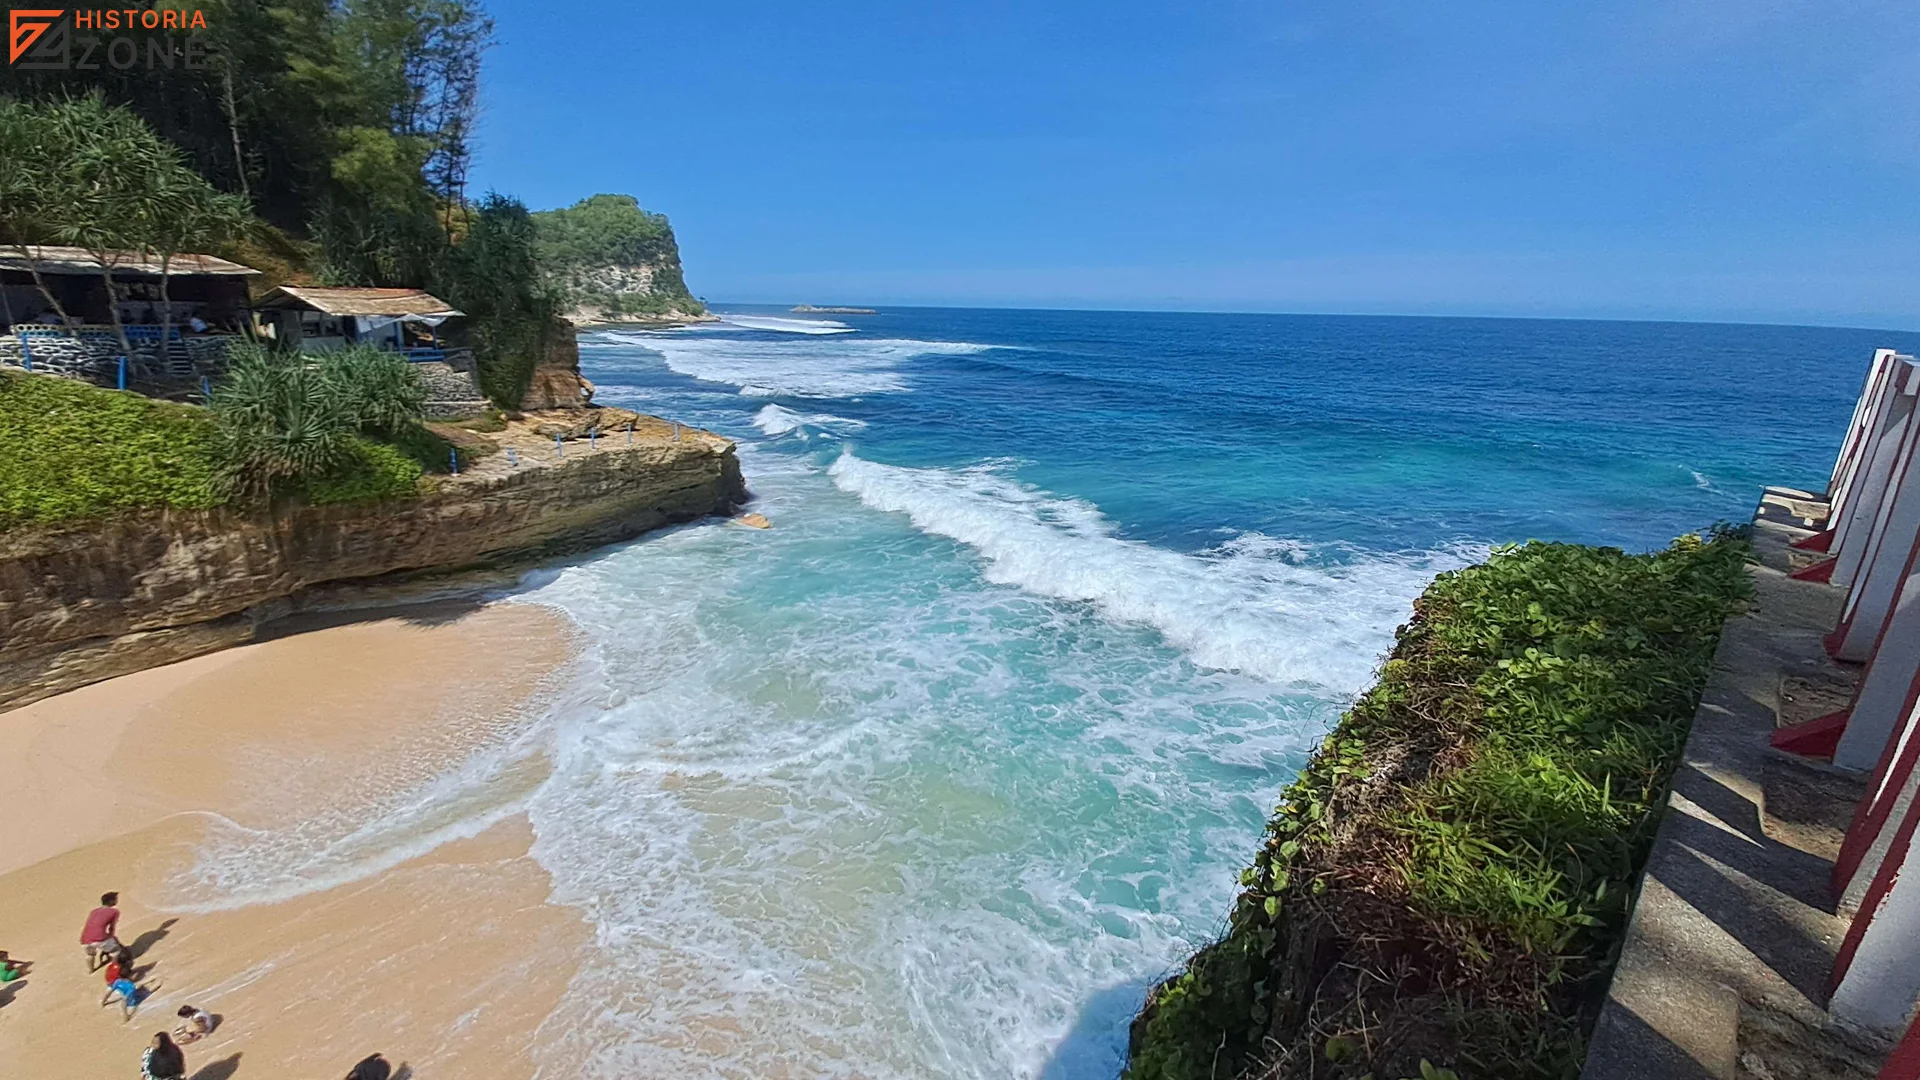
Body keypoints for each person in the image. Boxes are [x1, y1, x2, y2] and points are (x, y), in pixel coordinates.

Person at [80, 891, 120, 971]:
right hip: (99, 939)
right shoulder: (114, 912)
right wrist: (112, 938)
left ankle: (91, 970)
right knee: (115, 950)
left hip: (85, 939)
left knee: (90, 954)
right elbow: (111, 928)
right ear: (111, 901)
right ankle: (114, 969)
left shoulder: (94, 911)